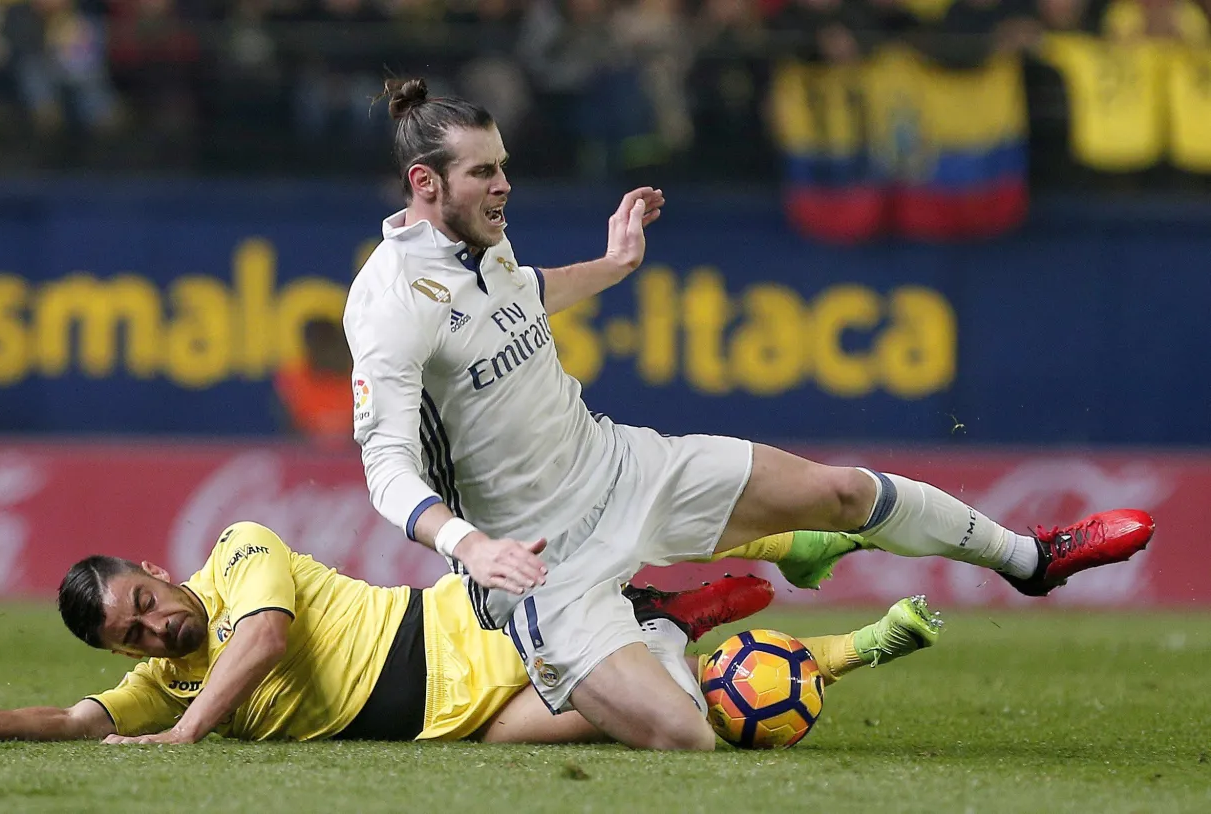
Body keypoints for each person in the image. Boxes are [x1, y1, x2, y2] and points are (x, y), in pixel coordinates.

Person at [341, 75, 1155, 750]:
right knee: (684, 737)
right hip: (541, 560)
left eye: (503, 166)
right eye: (484, 172)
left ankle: (1033, 557)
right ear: (426, 184)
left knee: (836, 493)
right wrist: (472, 547)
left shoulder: (485, 239)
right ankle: (654, 624)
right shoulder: (389, 304)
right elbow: (385, 469)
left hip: (620, 465)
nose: (503, 184)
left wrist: (615, 265)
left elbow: (524, 296)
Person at [0, 522, 942, 745]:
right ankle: (862, 645)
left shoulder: (236, 554)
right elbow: (78, 723)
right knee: (685, 716)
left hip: (464, 634)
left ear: (155, 568)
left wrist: (180, 738)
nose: (155, 626)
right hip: (464, 725)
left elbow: (260, 641)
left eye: (143, 600)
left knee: (605, 517)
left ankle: (783, 534)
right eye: (133, 638)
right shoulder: (164, 683)